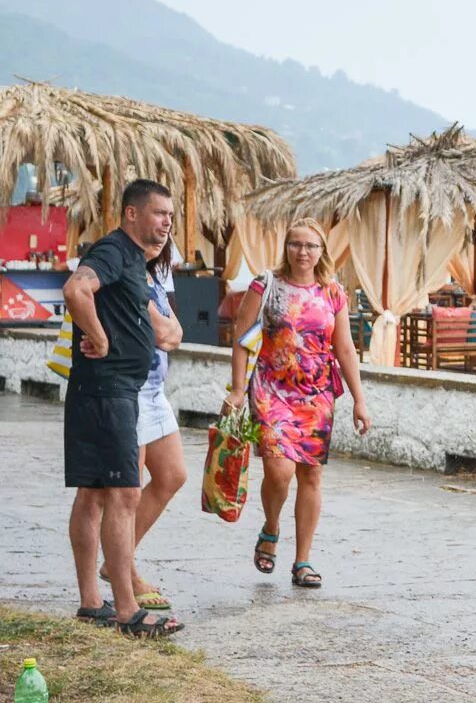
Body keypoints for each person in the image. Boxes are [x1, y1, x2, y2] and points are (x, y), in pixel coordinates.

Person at [61, 179, 183, 638]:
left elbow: (169, 332)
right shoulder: (114, 251)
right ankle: (127, 612)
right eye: (158, 213)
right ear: (132, 214)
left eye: (170, 215)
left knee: (94, 493)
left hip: (113, 389)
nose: (166, 222)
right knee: (122, 494)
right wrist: (99, 336)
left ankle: (92, 603)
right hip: (107, 390)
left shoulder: (134, 262)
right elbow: (76, 290)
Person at [223, 218, 372, 588]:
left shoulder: (333, 292)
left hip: (316, 394)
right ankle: (271, 526)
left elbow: (345, 348)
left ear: (322, 251)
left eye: (311, 246)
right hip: (271, 391)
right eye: (296, 244)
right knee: (279, 472)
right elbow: (242, 338)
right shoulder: (266, 284)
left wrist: (359, 400)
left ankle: (302, 560)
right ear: (286, 247)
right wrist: (238, 389)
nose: (303, 252)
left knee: (311, 474)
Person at [97, 238, 186, 610]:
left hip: (154, 391)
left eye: (167, 226)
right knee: (125, 494)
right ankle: (125, 574)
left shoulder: (156, 276)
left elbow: (176, 334)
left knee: (172, 475)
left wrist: (166, 330)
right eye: (156, 223)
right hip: (128, 389)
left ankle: (118, 560)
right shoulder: (125, 273)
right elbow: (165, 334)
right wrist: (165, 331)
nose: (162, 233)